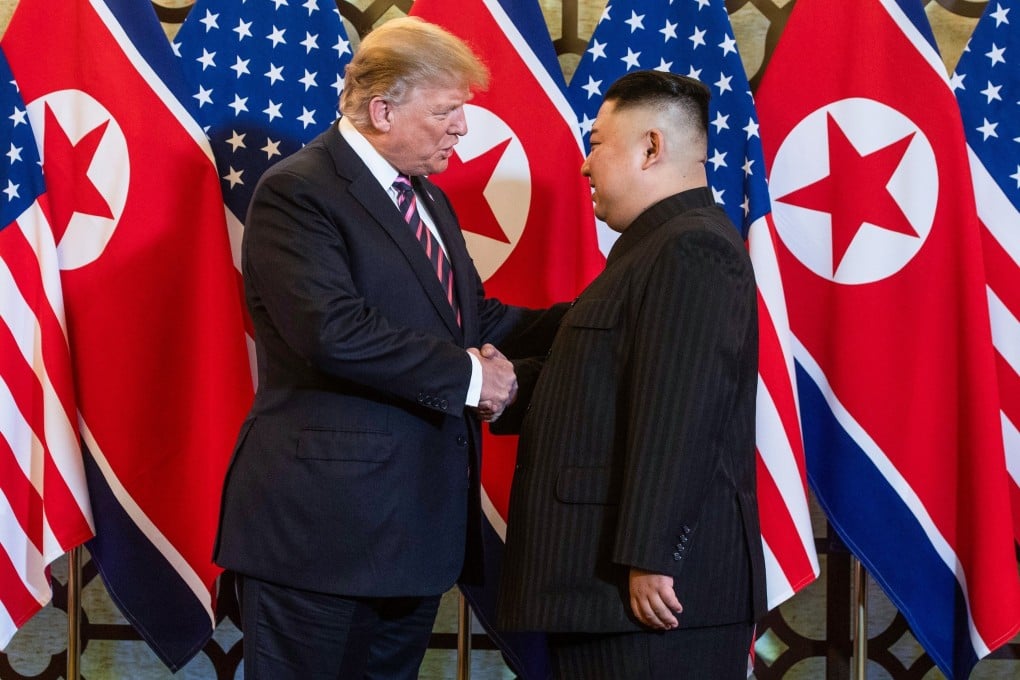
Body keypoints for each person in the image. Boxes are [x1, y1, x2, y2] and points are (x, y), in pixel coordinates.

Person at [213, 17, 561, 679]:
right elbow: (333, 331)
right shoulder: (299, 191)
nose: (462, 127)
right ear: (383, 109)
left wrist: (601, 318)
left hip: (412, 538)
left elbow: (472, 317)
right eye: (447, 111)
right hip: (321, 537)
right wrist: (469, 379)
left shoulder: (426, 196)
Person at [495, 70, 767, 679]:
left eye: (595, 143)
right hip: (608, 594)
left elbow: (682, 413)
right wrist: (507, 388)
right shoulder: (654, 248)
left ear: (651, 147)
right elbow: (608, 386)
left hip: (645, 595)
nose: (586, 167)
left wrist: (650, 555)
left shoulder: (690, 248)